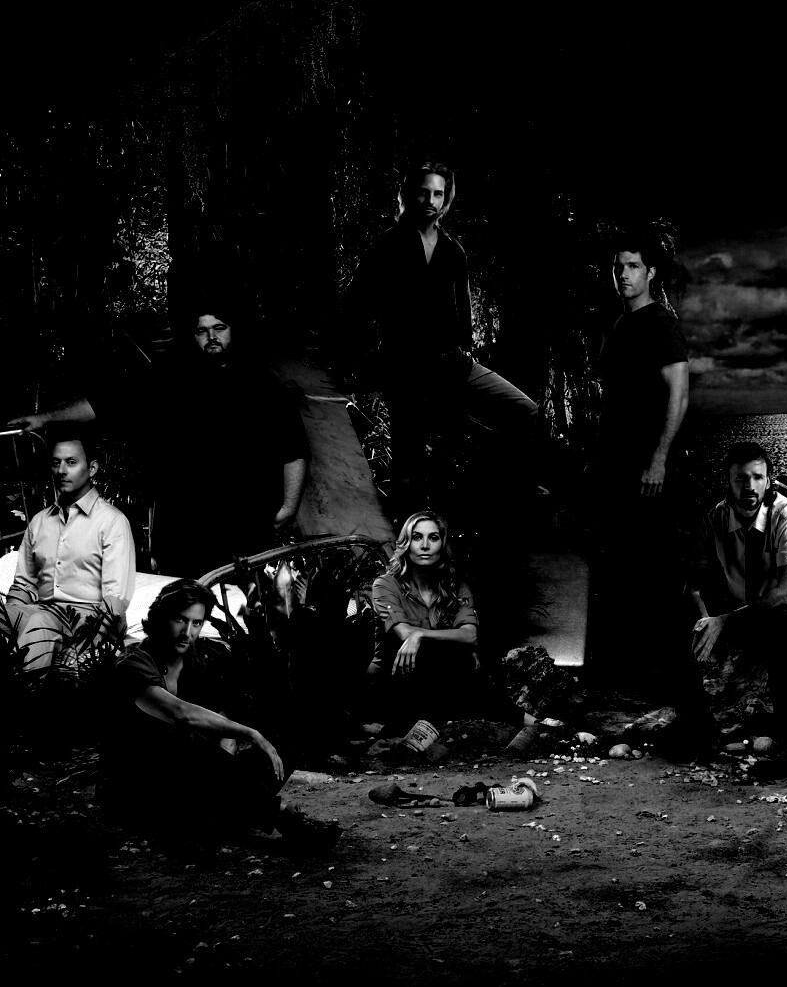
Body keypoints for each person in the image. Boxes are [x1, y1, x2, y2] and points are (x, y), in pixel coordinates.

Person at [5, 273, 309, 578]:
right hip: (184, 527)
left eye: (219, 328)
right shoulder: (171, 377)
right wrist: (45, 417)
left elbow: (293, 448)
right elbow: (108, 402)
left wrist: (288, 507)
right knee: (182, 598)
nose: (211, 337)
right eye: (202, 331)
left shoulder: (264, 387)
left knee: (241, 600)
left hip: (243, 526)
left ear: (234, 330)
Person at [352, 161, 542, 511]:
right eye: (424, 192)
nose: (431, 201)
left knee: (525, 411)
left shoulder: (453, 251)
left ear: (446, 199)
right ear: (409, 194)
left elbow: (464, 311)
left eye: (438, 194)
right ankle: (405, 534)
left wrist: (463, 351)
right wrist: (365, 363)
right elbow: (358, 305)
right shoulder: (388, 245)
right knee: (410, 467)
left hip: (453, 365)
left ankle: (511, 495)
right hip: (405, 370)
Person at [99, 578, 339, 852]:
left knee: (284, 742)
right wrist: (250, 734)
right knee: (186, 741)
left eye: (196, 623)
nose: (187, 632)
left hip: (195, 779)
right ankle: (280, 815)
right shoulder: (133, 664)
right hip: (141, 787)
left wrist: (229, 755)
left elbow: (221, 716)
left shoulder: (198, 659)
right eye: (180, 620)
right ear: (160, 617)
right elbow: (180, 713)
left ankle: (222, 814)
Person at [683, 442, 787, 774]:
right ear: (727, 480)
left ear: (768, 481)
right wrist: (704, 619)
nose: (749, 486)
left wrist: (724, 621)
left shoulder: (786, 514)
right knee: (687, 623)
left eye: (757, 477)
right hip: (748, 608)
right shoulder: (716, 518)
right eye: (740, 478)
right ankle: (696, 728)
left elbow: (784, 595)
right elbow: (693, 586)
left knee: (780, 626)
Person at [591, 231, 691, 670]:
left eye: (632, 266)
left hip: (649, 466)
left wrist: (659, 458)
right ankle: (626, 665)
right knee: (620, 560)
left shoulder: (660, 323)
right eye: (618, 267)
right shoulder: (618, 324)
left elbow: (679, 397)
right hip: (615, 463)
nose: (623, 274)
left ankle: (665, 667)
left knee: (655, 563)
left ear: (650, 273)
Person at [368, 510, 507, 733]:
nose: (425, 545)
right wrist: (455, 645)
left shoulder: (456, 586)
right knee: (447, 657)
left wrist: (421, 634)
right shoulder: (385, 585)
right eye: (417, 537)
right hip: (394, 679)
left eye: (433, 538)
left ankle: (505, 719)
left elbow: (470, 634)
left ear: (442, 545)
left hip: (439, 678)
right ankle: (520, 719)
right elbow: (403, 634)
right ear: (406, 544)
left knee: (475, 656)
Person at [6, 431, 134, 673]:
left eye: (71, 462)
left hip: (89, 619)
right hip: (41, 610)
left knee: (40, 622)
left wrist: (84, 647)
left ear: (92, 468)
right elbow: (23, 585)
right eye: (56, 463)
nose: (61, 471)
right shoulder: (40, 522)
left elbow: (114, 603)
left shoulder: (112, 522)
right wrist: (9, 618)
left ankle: (27, 691)